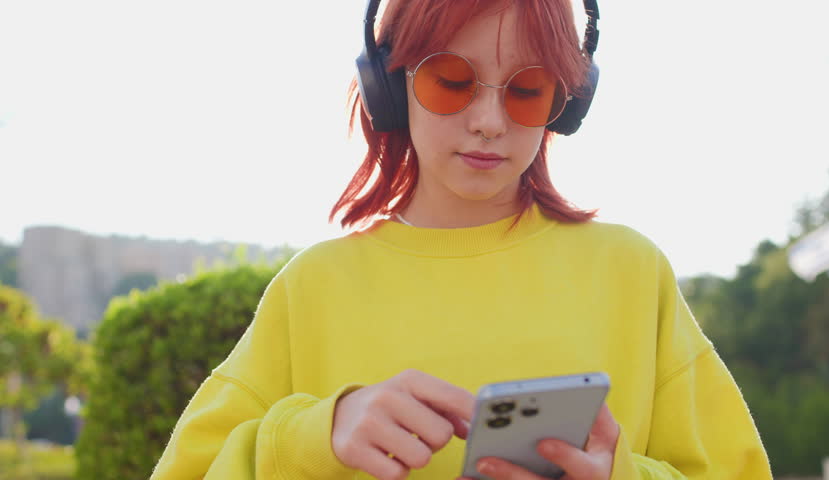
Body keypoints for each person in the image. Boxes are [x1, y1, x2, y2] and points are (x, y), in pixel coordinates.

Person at [151, 0, 773, 478]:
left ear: (566, 102)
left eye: (527, 91)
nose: (489, 122)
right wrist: (317, 437)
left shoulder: (632, 274)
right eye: (451, 81)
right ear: (388, 85)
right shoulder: (311, 289)